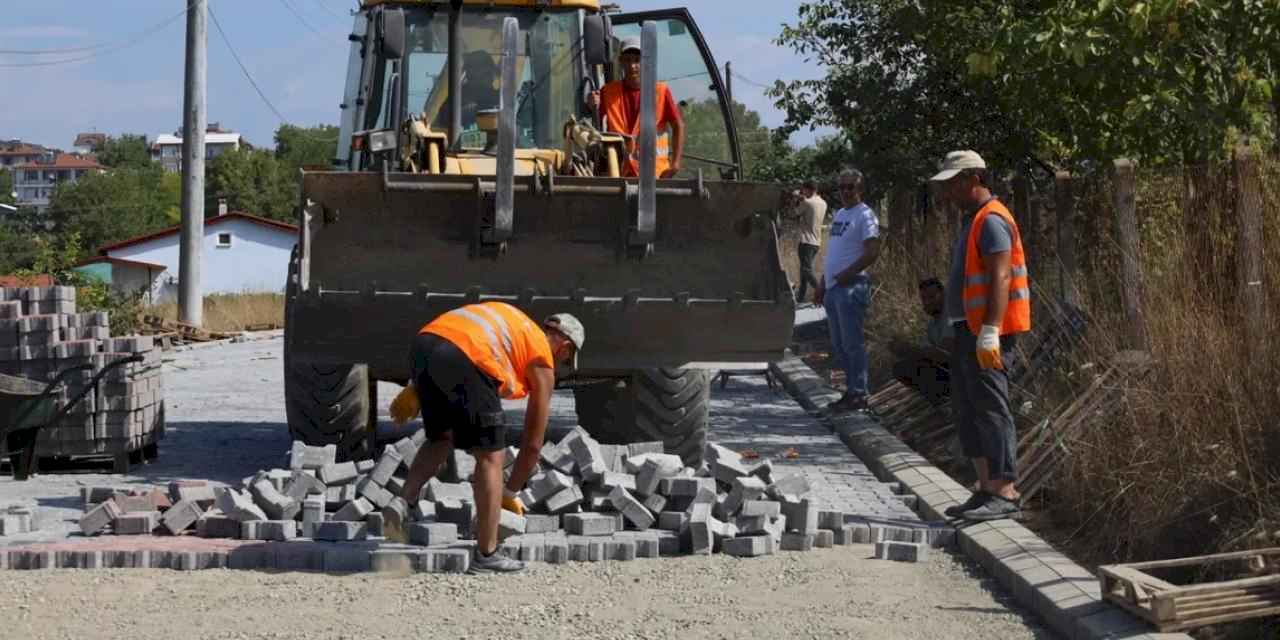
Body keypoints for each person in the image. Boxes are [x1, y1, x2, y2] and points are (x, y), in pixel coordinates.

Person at [383, 302, 585, 573]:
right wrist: (509, 492)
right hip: (466, 356)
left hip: (423, 346)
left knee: (441, 437)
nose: (558, 366)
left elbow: (455, 337)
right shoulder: (541, 357)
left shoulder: (516, 325)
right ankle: (487, 555)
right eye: (563, 361)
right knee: (491, 455)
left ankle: (403, 501)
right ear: (565, 347)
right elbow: (533, 443)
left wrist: (416, 385)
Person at [929, 150, 1031, 522]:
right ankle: (985, 486)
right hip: (967, 330)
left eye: (953, 184)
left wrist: (990, 330)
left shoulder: (992, 221)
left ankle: (1005, 490)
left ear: (973, 178)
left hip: (990, 334)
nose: (947, 193)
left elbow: (1001, 277)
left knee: (991, 408)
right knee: (968, 408)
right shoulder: (973, 221)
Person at [814, 169, 881, 414]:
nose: (845, 191)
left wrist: (848, 274)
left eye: (850, 187)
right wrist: (822, 283)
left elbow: (872, 251)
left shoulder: (866, 215)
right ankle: (849, 390)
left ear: (860, 189)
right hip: (833, 288)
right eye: (841, 187)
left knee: (853, 344)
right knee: (840, 344)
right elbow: (834, 254)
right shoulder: (840, 214)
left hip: (851, 287)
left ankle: (859, 393)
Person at [589, 36, 685, 178]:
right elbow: (594, 122)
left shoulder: (661, 91)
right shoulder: (608, 92)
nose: (632, 65)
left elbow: (678, 125)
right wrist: (591, 103)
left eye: (636, 60)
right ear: (621, 62)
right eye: (627, 60)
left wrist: (675, 164)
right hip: (619, 175)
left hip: (654, 177)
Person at [888, 278, 953, 405]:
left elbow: (946, 355)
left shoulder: (951, 317)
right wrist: (903, 350)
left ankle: (944, 402)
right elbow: (927, 351)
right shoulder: (932, 325)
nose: (928, 302)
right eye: (924, 299)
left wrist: (912, 350)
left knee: (912, 368)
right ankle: (939, 402)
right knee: (902, 367)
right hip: (946, 372)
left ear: (944, 294)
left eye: (932, 297)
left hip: (958, 374)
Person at [793, 180, 828, 306]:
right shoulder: (823, 203)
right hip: (816, 241)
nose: (803, 192)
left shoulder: (807, 202)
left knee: (806, 270)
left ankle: (822, 292)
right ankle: (800, 298)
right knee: (804, 270)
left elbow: (794, 213)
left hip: (806, 240)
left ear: (809, 190)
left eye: (804, 190)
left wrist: (797, 199)